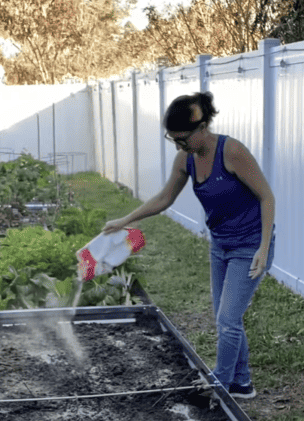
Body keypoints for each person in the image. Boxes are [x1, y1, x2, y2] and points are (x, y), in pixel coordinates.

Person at [102, 92, 276, 399]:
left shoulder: (232, 151)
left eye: (182, 139)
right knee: (226, 317)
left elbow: (266, 197)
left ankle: (219, 387)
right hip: (220, 245)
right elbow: (164, 198)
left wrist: (263, 248)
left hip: (249, 246)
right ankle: (242, 383)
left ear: (203, 128)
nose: (180, 146)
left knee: (227, 319)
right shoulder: (186, 159)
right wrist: (126, 220)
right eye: (174, 140)